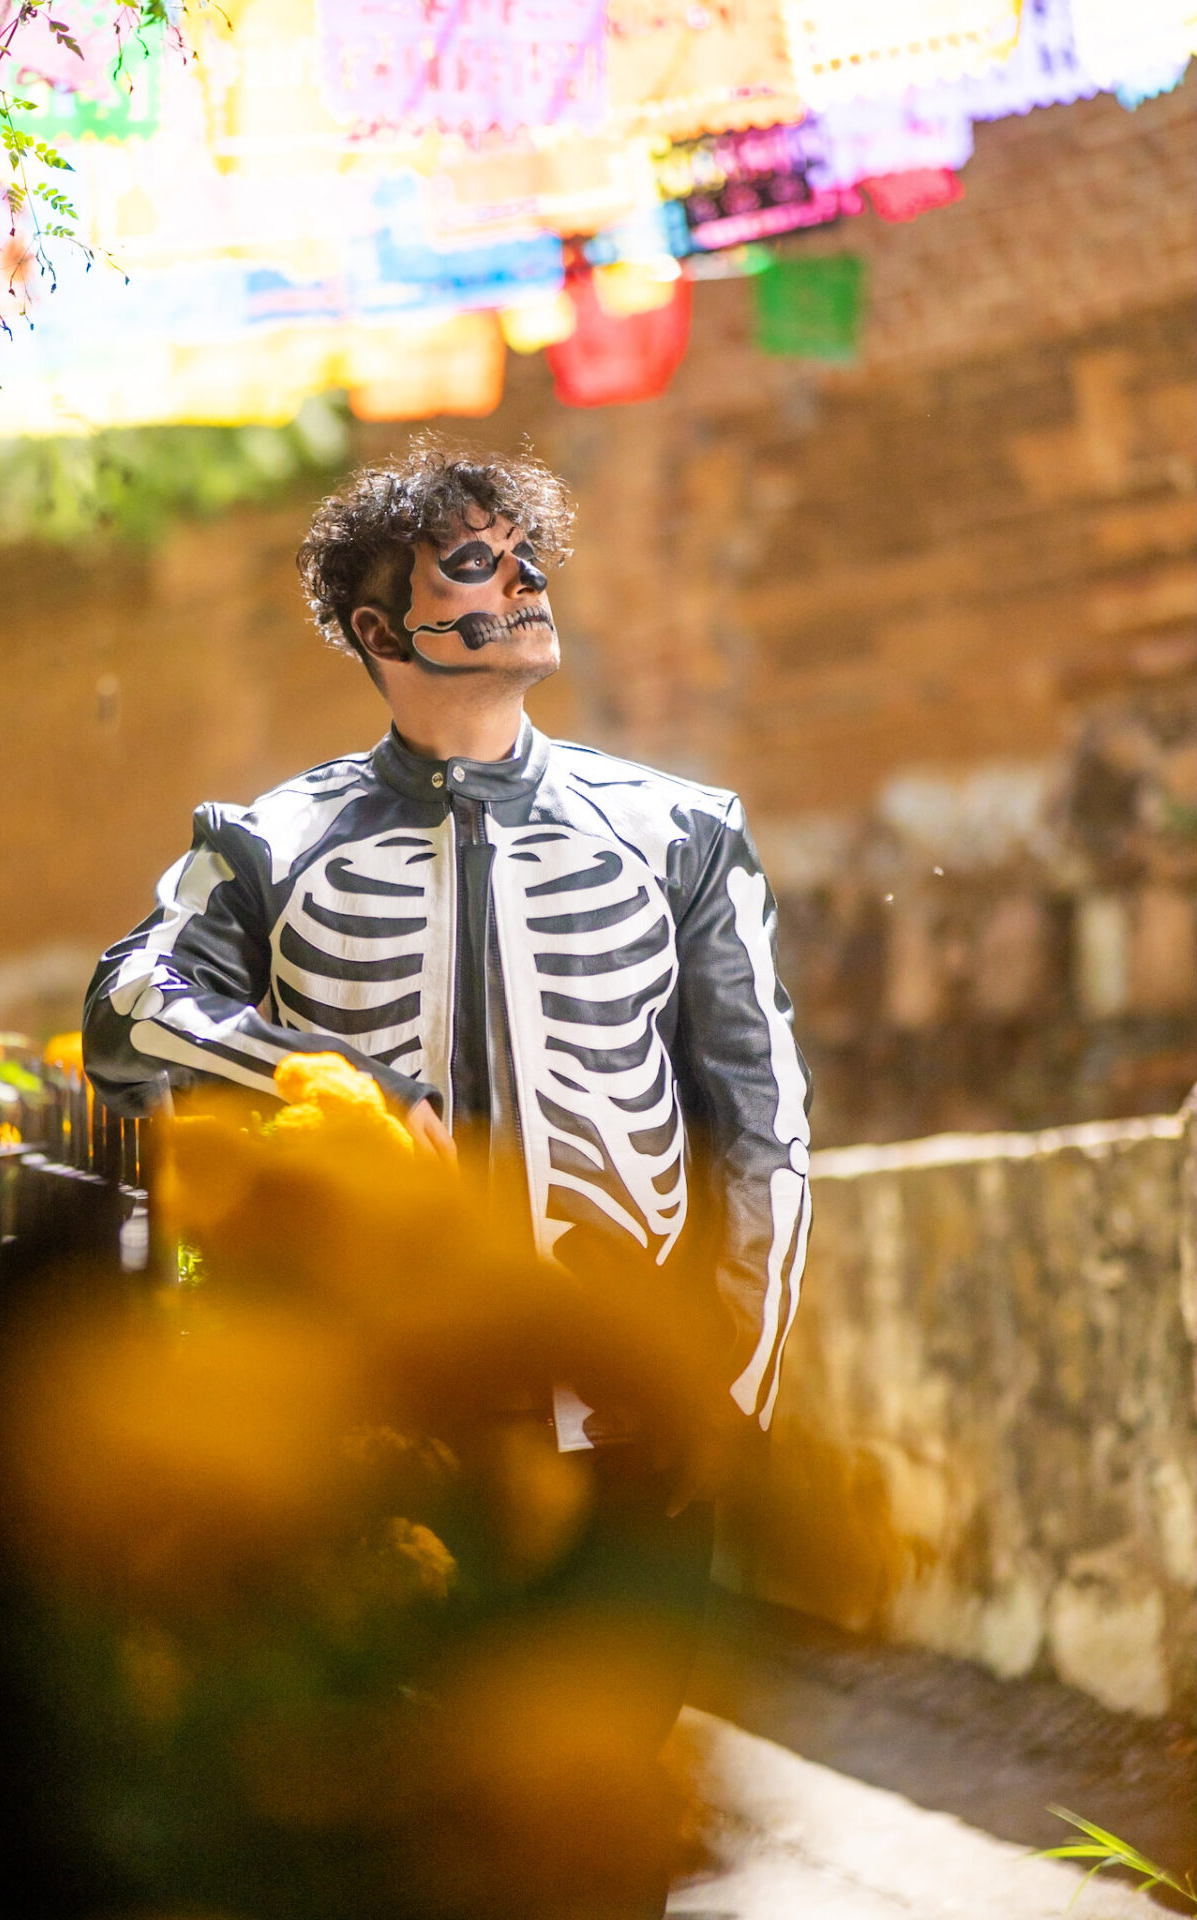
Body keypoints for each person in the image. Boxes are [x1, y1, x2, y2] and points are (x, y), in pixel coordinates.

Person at [82, 439, 811, 1915]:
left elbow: (761, 1122)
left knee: (602, 1823)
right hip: (377, 1435)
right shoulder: (266, 842)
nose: (525, 580)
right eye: (477, 563)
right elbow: (128, 1007)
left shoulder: (682, 830)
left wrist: (727, 1382)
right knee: (391, 1831)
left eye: (526, 552)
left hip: (623, 1433)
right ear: (379, 628)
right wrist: (338, 1082)